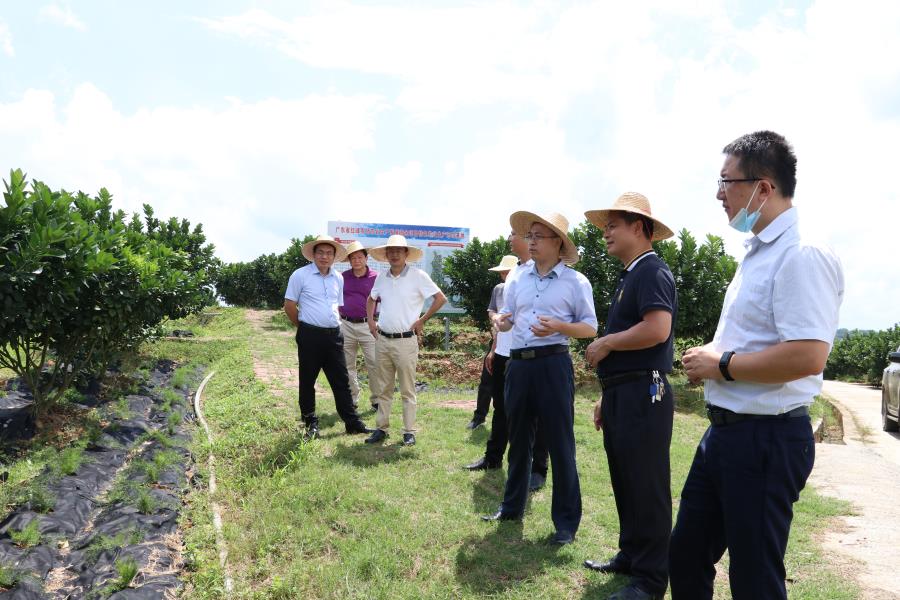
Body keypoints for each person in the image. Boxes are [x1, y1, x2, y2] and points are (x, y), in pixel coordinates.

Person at [670, 131, 844, 599]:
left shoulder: (801, 254)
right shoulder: (759, 253)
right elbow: (759, 337)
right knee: (686, 554)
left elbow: (808, 355)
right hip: (726, 433)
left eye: (727, 181)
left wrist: (721, 364)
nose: (719, 193)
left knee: (754, 579)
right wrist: (712, 356)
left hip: (765, 439)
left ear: (763, 188)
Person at [581, 193, 677, 600]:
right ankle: (632, 555)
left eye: (613, 225)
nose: (605, 233)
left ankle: (652, 579)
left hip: (646, 391)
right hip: (624, 391)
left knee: (647, 484)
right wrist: (608, 393)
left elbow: (657, 329)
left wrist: (606, 344)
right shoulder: (630, 274)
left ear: (639, 227)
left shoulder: (652, 271)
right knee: (625, 478)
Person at [483, 212, 597, 546]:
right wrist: (501, 323)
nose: (530, 241)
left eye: (538, 236)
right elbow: (510, 321)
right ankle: (511, 508)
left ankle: (565, 524)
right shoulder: (517, 277)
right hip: (519, 365)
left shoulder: (576, 282)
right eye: (529, 236)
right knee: (518, 440)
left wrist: (558, 326)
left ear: (558, 243)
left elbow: (590, 328)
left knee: (561, 444)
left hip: (552, 364)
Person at [465, 232, 551, 493]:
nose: (510, 238)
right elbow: (504, 319)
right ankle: (493, 458)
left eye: (515, 234)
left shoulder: (543, 273)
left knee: (535, 414)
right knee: (501, 408)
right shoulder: (514, 275)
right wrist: (493, 349)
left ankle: (538, 470)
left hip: (531, 355)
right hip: (505, 354)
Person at [283, 235, 374, 441]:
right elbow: (289, 306)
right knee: (308, 380)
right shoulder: (300, 275)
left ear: (334, 256)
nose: (325, 256)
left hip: (334, 335)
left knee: (341, 380)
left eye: (329, 253)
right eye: (321, 252)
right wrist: (303, 326)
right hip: (309, 335)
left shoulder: (338, 278)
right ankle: (310, 422)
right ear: (313, 255)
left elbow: (336, 306)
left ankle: (351, 422)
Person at [364, 235, 447, 446]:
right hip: (382, 339)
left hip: (405, 341)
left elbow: (440, 298)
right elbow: (371, 298)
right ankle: (381, 428)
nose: (394, 254)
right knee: (384, 387)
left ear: (406, 253)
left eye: (398, 251)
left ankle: (409, 431)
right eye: (390, 251)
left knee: (407, 389)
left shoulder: (418, 276)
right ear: (386, 254)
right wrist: (371, 323)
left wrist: (422, 320)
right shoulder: (381, 277)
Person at [339, 241, 380, 411]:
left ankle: (377, 400)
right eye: (353, 257)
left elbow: (383, 300)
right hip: (346, 324)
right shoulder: (342, 277)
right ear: (349, 260)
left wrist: (377, 322)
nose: (356, 260)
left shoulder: (376, 277)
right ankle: (352, 398)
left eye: (359, 257)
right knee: (347, 364)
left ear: (366, 258)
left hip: (368, 325)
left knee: (374, 363)